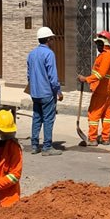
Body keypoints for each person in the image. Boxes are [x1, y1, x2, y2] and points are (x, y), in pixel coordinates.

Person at [27, 26, 63, 156]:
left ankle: (34, 145)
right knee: (48, 119)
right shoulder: (49, 54)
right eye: (52, 39)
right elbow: (53, 77)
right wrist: (58, 91)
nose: (53, 41)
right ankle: (47, 147)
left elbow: (29, 75)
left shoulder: (31, 54)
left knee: (37, 118)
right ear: (48, 39)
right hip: (47, 93)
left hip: (35, 93)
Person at [78, 30, 110, 146]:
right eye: (97, 44)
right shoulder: (107, 55)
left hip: (101, 91)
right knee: (106, 114)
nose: (98, 46)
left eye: (100, 44)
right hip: (106, 90)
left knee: (94, 113)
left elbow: (101, 74)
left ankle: (92, 138)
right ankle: (105, 138)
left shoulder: (106, 56)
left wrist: (86, 79)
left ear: (106, 44)